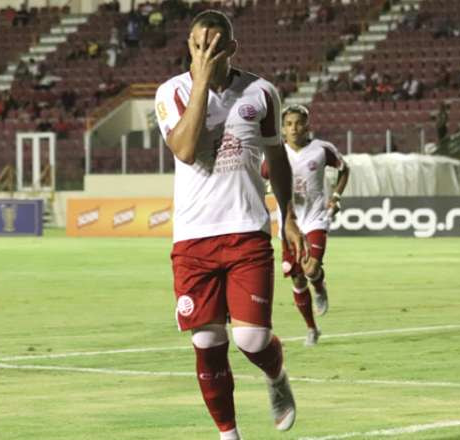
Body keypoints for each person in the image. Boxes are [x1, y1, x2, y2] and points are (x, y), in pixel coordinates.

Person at [154, 10, 303, 440]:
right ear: (189, 46)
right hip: (193, 238)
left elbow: (277, 158)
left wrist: (288, 214)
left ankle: (276, 378)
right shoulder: (171, 92)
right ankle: (229, 434)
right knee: (207, 343)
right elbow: (184, 149)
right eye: (197, 44)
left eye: (214, 45)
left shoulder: (261, 92)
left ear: (231, 49)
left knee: (253, 341)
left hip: (246, 230)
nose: (205, 51)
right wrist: (201, 80)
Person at [262, 105, 349, 346]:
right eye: (289, 124)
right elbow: (264, 177)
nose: (294, 128)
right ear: (282, 128)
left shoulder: (321, 149)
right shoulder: (274, 153)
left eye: (299, 123)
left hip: (315, 218)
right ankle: (312, 328)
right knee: (298, 281)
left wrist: (336, 197)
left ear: (307, 125)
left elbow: (345, 169)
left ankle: (319, 286)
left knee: (311, 270)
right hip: (289, 225)